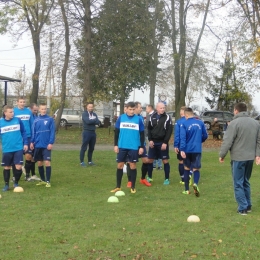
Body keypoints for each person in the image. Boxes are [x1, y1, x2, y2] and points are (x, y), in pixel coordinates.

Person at [219, 103, 260, 215]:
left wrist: (222, 155)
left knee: (238, 182)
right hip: (250, 158)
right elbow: (258, 141)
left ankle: (242, 207)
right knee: (246, 181)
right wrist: (257, 155)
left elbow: (227, 141)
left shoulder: (234, 123)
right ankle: (248, 204)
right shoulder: (255, 123)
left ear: (236, 111)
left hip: (238, 158)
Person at [111, 101, 145, 194]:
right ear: (126, 109)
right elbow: (116, 132)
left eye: (133, 109)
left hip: (133, 147)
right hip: (122, 146)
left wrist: (141, 146)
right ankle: (118, 186)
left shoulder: (138, 119)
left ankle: (133, 186)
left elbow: (142, 134)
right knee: (120, 165)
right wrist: (115, 145)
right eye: (130, 109)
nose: (132, 111)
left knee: (132, 165)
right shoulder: (121, 118)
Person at [180, 107, 208, 196]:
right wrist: (200, 140)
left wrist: (182, 149)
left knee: (186, 168)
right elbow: (205, 135)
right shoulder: (200, 123)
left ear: (186, 115)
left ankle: (186, 190)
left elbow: (183, 138)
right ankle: (195, 183)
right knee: (196, 168)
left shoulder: (184, 124)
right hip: (197, 149)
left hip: (187, 149)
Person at [0, 105, 28, 191]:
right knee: (7, 167)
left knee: (18, 167)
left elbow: (23, 132)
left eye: (13, 111)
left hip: (18, 147)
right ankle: (6, 185)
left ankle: (16, 183)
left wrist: (26, 143)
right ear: (5, 113)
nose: (13, 113)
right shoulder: (0, 123)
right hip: (7, 148)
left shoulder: (18, 120)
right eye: (10, 112)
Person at [147, 102, 172, 185]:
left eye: (164, 108)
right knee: (150, 160)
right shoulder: (152, 117)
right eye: (161, 108)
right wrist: (150, 140)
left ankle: (167, 179)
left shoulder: (167, 117)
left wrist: (165, 142)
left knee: (165, 160)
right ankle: (149, 177)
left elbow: (169, 131)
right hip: (153, 142)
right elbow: (149, 129)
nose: (162, 109)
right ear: (157, 108)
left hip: (162, 143)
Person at [30, 104, 55, 188]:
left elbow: (52, 132)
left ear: (46, 110)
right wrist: (32, 142)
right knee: (40, 163)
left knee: (47, 162)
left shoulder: (50, 119)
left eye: (45, 109)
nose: (43, 110)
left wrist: (50, 143)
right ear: (39, 110)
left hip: (46, 145)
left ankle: (48, 181)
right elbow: (33, 132)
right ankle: (43, 180)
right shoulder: (36, 120)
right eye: (42, 109)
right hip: (38, 145)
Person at [14, 97, 34, 181]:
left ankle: (27, 175)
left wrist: (33, 139)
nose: (22, 103)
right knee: (16, 158)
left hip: (28, 136)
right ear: (17, 102)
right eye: (21, 102)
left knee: (28, 156)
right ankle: (15, 176)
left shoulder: (28, 112)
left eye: (23, 102)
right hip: (17, 137)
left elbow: (32, 125)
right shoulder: (14, 112)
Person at [134, 102, 151, 187]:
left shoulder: (141, 117)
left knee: (146, 160)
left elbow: (143, 131)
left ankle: (143, 179)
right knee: (132, 162)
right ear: (135, 108)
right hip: (133, 144)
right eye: (140, 107)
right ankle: (130, 181)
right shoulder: (131, 118)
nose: (141, 109)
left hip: (141, 143)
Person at [26, 103, 41, 181]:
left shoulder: (36, 116)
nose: (36, 111)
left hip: (35, 138)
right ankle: (27, 175)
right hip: (29, 138)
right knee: (29, 156)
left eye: (36, 110)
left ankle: (33, 174)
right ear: (31, 109)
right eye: (34, 110)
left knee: (34, 158)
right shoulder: (28, 116)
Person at [174, 106, 186, 184]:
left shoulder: (179, 122)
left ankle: (183, 178)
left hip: (181, 145)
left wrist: (176, 145)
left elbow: (177, 135)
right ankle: (188, 176)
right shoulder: (193, 121)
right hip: (190, 145)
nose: (181, 113)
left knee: (181, 161)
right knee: (188, 161)